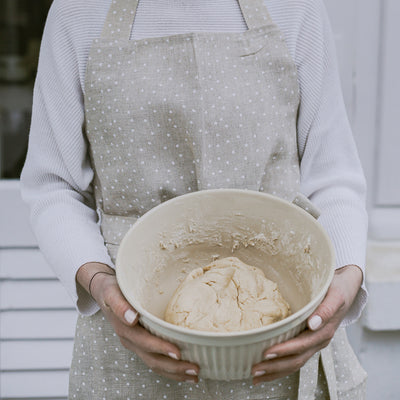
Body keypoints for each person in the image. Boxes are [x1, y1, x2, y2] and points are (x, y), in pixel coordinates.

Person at [20, 0, 368, 398]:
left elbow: (334, 174)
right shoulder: (78, 13)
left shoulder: (295, 8)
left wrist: (344, 277)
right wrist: (100, 284)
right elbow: (53, 185)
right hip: (131, 334)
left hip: (284, 342)